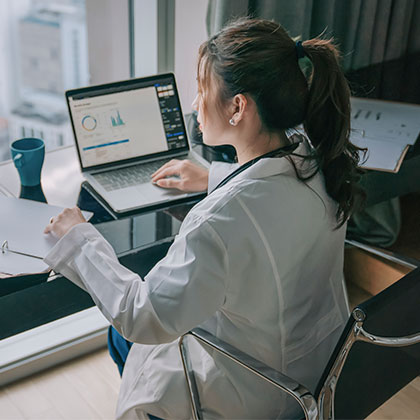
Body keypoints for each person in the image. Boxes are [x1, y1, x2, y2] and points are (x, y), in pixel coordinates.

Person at [44, 18, 362, 420]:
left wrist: (79, 239)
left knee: (122, 337)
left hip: (256, 394)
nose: (195, 103)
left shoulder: (217, 221)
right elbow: (269, 196)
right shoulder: (319, 164)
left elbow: (143, 318)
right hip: (319, 372)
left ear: (238, 106)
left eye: (202, 89)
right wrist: (213, 175)